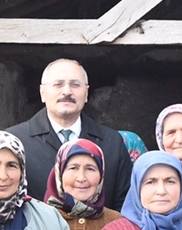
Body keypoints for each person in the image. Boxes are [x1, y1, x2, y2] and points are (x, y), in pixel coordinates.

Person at [10, 57, 134, 207]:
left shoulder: (112, 142)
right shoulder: (16, 141)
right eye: (58, 84)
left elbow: (126, 205)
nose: (67, 91)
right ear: (42, 92)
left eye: (75, 85)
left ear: (86, 93)